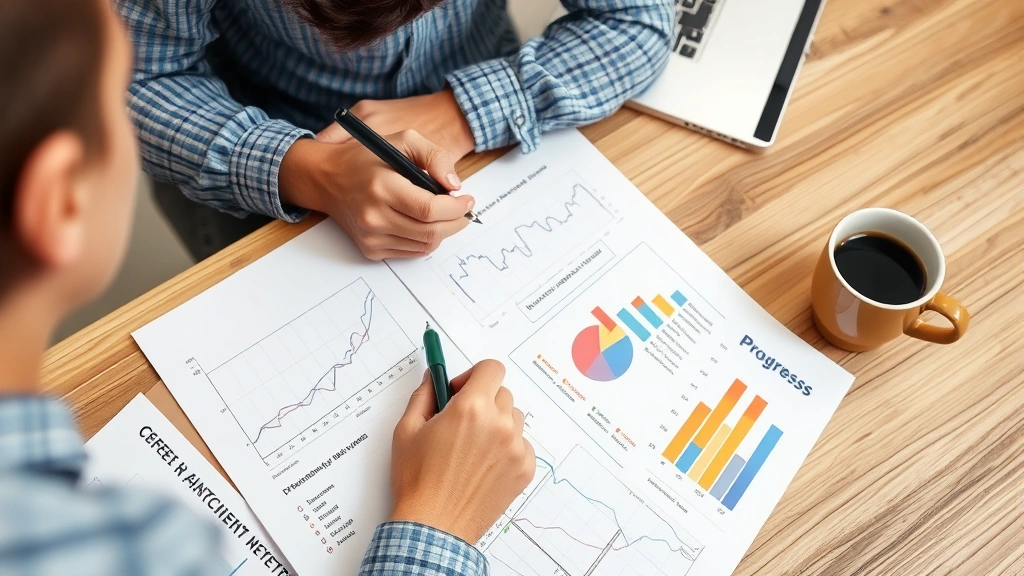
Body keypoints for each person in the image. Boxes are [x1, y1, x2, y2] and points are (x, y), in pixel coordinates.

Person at [0, 0, 535, 574]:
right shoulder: (144, 548)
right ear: (59, 199)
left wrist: (459, 111)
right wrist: (437, 525)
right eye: (111, 111)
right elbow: (149, 81)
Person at [117, 0, 674, 261]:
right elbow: (133, 79)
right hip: (250, 162)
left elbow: (638, 18)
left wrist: (458, 112)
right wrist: (301, 167)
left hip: (488, 99)